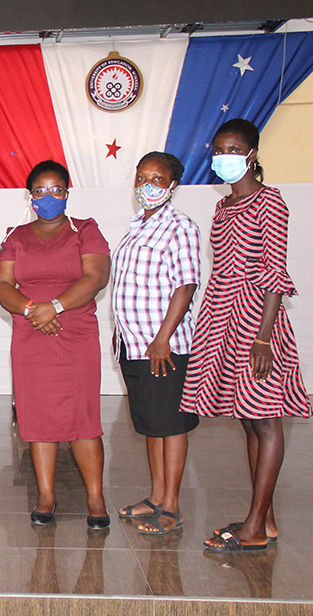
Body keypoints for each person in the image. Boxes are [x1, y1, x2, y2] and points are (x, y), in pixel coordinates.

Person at [181, 119, 311, 553]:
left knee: (266, 420)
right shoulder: (223, 208)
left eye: (233, 149)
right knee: (248, 422)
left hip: (258, 323)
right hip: (223, 319)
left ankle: (254, 526)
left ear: (252, 154)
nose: (224, 157)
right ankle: (265, 518)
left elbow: (274, 272)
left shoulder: (270, 202)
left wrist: (263, 337)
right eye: (218, 149)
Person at [0, 160, 111, 529]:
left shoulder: (86, 231)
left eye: (56, 189)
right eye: (40, 190)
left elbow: (96, 276)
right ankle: (45, 494)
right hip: (30, 336)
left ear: (67, 192)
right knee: (37, 417)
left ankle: (95, 497)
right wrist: (32, 310)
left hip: (74, 333)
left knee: (84, 418)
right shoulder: (16, 237)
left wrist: (54, 306)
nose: (48, 196)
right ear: (30, 196)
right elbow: (1, 285)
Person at [111, 152, 200, 535]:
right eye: (143, 177)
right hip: (133, 346)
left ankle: (173, 505)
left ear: (172, 187)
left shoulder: (180, 226)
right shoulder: (135, 227)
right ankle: (155, 496)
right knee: (151, 424)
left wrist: (163, 337)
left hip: (165, 346)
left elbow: (186, 284)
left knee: (171, 424)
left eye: (158, 179)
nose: (148, 185)